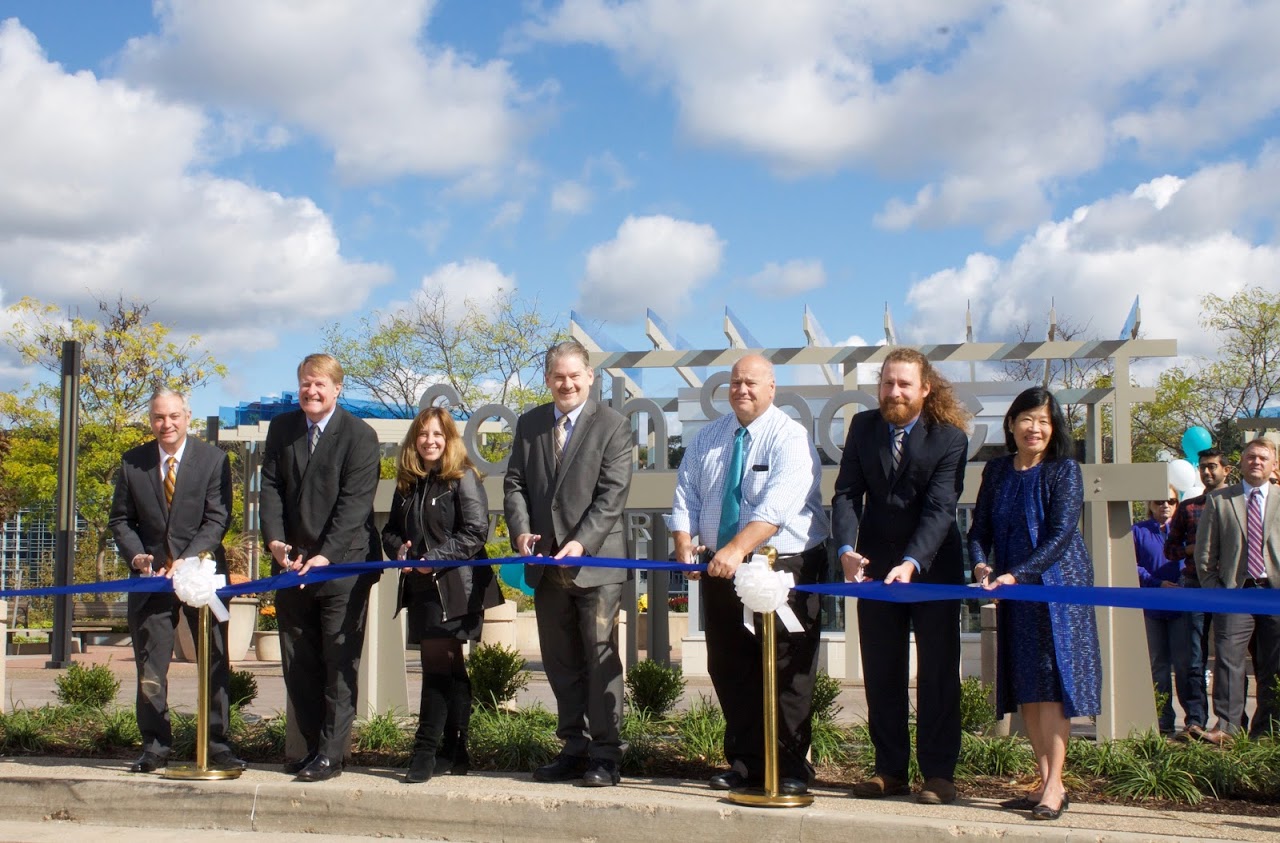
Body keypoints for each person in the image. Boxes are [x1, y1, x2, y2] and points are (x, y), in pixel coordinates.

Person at [670, 354, 829, 796]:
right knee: (730, 665)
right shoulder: (708, 439)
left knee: (786, 669)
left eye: (752, 383)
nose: (742, 390)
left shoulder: (790, 436)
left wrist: (738, 549)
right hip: (722, 566)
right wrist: (684, 542)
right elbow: (685, 493)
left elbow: (777, 507)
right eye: (736, 382)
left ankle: (792, 767)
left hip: (783, 564)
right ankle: (745, 763)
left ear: (772, 387)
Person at [831, 347, 970, 806]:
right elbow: (847, 494)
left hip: (932, 571)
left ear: (925, 389)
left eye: (904, 384)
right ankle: (888, 771)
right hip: (873, 572)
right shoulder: (863, 427)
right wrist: (848, 550)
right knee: (882, 672)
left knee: (936, 674)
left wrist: (911, 562)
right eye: (888, 383)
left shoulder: (949, 438)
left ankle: (939, 774)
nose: (894, 392)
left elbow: (940, 509)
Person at [503, 340, 633, 787]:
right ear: (547, 379)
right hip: (546, 568)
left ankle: (606, 755)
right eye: (559, 376)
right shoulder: (530, 424)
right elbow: (515, 483)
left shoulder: (613, 426)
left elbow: (612, 495)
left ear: (590, 376)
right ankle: (572, 748)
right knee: (560, 662)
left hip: (595, 564)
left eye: (575, 375)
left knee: (600, 659)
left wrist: (580, 543)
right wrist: (520, 531)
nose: (567, 383)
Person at [969, 386, 1101, 821]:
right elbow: (978, 531)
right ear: (1011, 423)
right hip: (1013, 591)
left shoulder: (1064, 470)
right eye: (1027, 418)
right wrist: (981, 566)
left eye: (1044, 421)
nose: (1035, 428)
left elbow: (1062, 533)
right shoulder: (998, 471)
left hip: (1057, 591)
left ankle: (1055, 783)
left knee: (1054, 688)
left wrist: (1019, 573)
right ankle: (1046, 781)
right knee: (1028, 687)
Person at [259, 353, 382, 782]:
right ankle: (311, 748)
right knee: (299, 661)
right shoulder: (282, 428)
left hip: (342, 567)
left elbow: (353, 505)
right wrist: (275, 542)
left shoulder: (360, 436)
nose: (312, 392)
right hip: (292, 566)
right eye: (306, 384)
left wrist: (325, 555)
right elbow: (271, 487)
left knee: (338, 661)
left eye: (320, 385)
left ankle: (332, 754)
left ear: (337, 389)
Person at [108, 388, 243, 774]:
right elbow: (121, 519)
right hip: (151, 582)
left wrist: (186, 560)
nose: (166, 425)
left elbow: (218, 518)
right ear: (151, 420)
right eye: (158, 418)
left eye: (173, 417)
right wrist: (137, 556)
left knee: (214, 662)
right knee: (151, 665)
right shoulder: (133, 463)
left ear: (187, 416)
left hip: (200, 577)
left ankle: (217, 745)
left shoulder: (213, 459)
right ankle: (154, 747)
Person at [382, 407, 503, 783]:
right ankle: (456, 752)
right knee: (450, 669)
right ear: (413, 440)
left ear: (449, 439)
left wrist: (432, 559)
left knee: (435, 668)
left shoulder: (463, 477)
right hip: (419, 587)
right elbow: (388, 531)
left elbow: (474, 532)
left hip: (455, 587)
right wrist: (398, 551)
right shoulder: (407, 483)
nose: (429, 441)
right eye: (423, 434)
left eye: (437, 434)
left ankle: (424, 752)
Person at [1195, 438, 1280, 743]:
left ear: (1274, 465)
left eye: (1263, 458)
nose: (1256, 462)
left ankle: (1268, 731)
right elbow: (1204, 556)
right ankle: (1228, 728)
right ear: (1241, 464)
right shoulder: (1220, 501)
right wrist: (1217, 592)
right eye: (1251, 457)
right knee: (1229, 662)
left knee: (1273, 664)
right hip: (1235, 592)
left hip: (1275, 595)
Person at [1163, 448, 1229, 738]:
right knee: (1193, 657)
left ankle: (1228, 723)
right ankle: (1195, 721)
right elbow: (1170, 549)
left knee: (1230, 657)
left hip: (1230, 588)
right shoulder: (1190, 507)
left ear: (1226, 470)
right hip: (1193, 584)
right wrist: (1194, 549)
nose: (1207, 472)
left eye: (1213, 466)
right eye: (1203, 467)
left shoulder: (1237, 504)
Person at [1133, 486, 1193, 736]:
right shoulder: (1138, 531)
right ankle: (1163, 718)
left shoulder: (1185, 531)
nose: (1165, 505)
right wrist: (1156, 583)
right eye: (1159, 501)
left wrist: (1181, 581)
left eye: (1171, 501)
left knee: (1184, 664)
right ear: (1150, 504)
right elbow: (1131, 564)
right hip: (1152, 606)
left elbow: (1195, 559)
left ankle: (1193, 720)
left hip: (1180, 605)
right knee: (1158, 665)